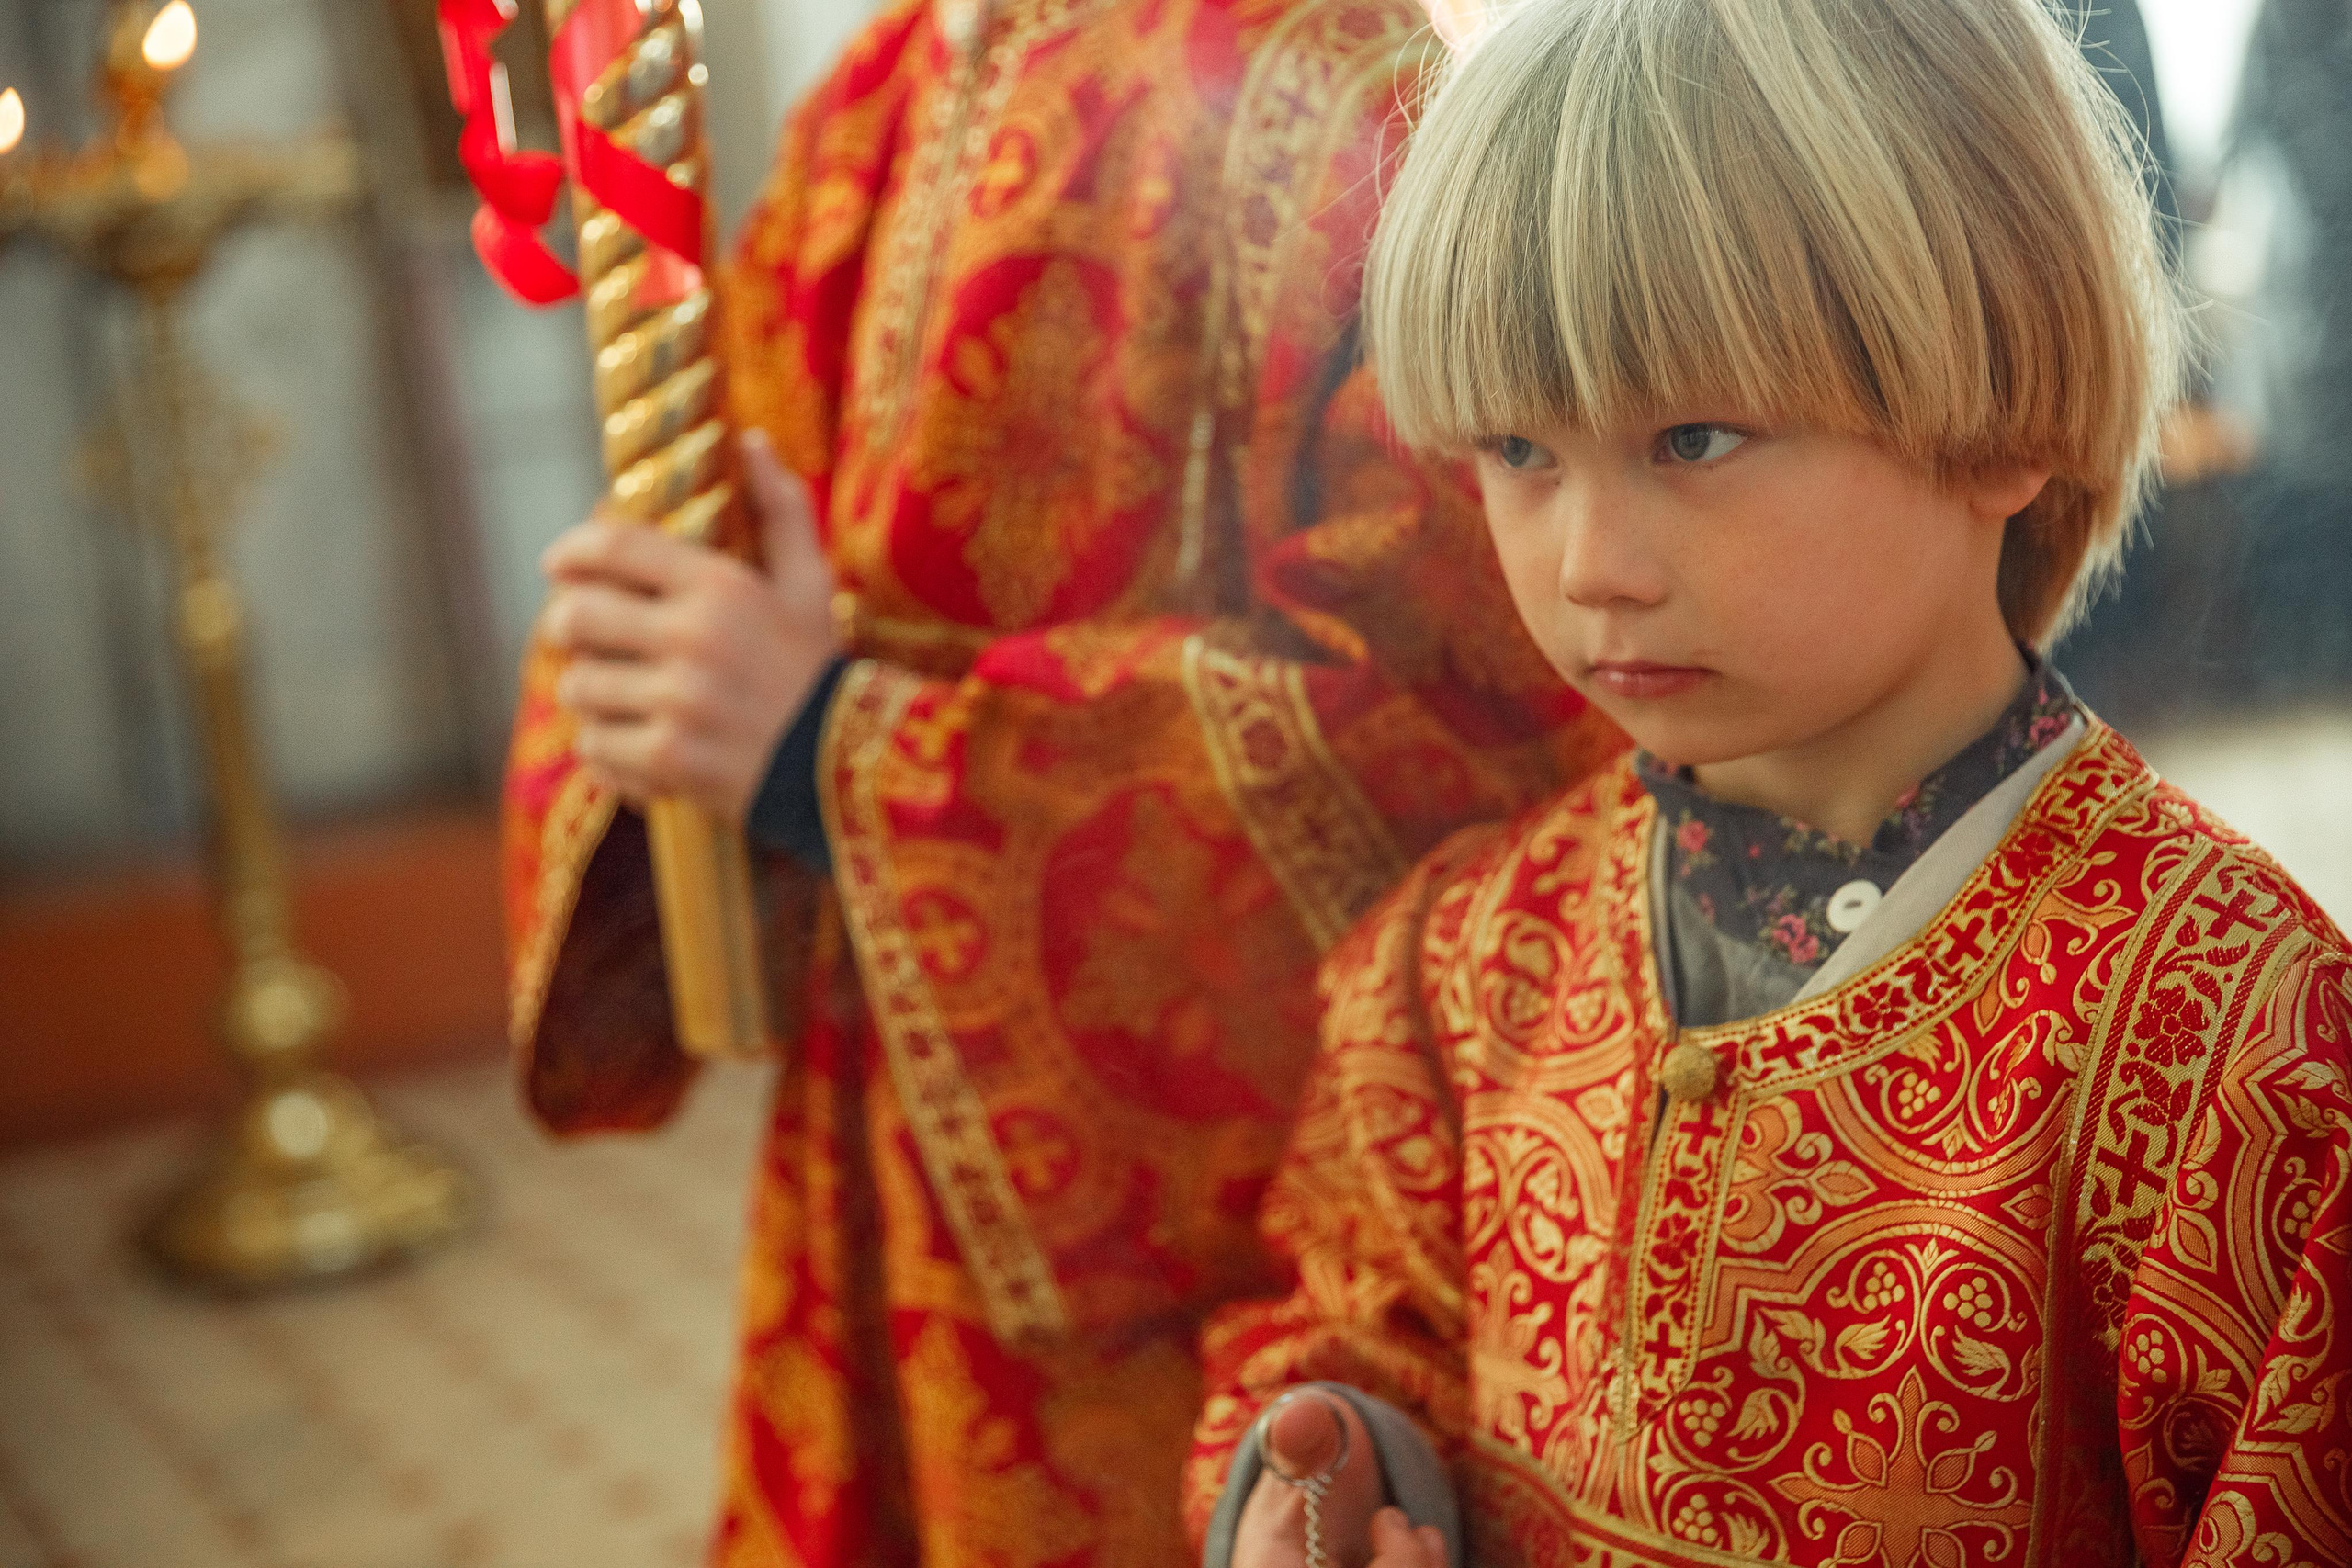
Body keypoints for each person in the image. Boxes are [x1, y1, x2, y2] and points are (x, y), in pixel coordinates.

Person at [1188, 0, 2352, 1563]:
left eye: (1696, 436)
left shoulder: (2238, 1047)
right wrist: (1318, 1482)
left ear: (1998, 415)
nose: (1590, 567)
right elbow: (1346, 1327)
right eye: (1520, 451)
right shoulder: (1463, 964)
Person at [501, 0, 1620, 1562]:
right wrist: (668, 670)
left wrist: (834, 748)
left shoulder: (1347, 92)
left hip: (1185, 1264)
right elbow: (727, 585)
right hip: (877, 1118)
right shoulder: (872, 98)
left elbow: (1456, 709)